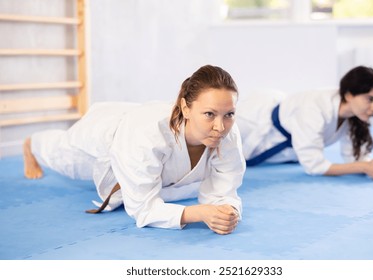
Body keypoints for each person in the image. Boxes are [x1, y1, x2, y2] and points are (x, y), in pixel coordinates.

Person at [23, 65, 245, 235]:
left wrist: (227, 211)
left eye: (229, 114)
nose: (220, 126)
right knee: (63, 159)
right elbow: (143, 208)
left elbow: (224, 190)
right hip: (106, 139)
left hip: (139, 128)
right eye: (209, 114)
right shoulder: (147, 135)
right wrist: (199, 213)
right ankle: (31, 144)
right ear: (186, 108)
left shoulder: (227, 133)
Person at [236, 65, 373, 179]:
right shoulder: (313, 108)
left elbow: (354, 158)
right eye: (370, 99)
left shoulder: (353, 115)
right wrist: (362, 167)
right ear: (349, 95)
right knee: (220, 148)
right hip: (252, 120)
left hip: (286, 137)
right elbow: (314, 166)